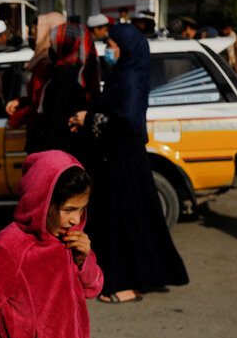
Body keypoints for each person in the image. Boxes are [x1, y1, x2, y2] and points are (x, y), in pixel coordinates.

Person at [68, 24, 189, 303]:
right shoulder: (122, 74)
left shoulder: (131, 78)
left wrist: (89, 119)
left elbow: (128, 123)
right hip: (116, 158)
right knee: (123, 221)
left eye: (111, 44)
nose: (108, 49)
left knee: (129, 222)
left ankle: (132, 285)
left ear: (126, 47)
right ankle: (123, 278)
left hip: (127, 160)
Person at [0, 151, 102, 338]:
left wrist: (85, 260)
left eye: (82, 209)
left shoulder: (70, 237)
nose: (76, 219)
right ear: (42, 201)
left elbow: (94, 288)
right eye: (69, 210)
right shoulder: (10, 246)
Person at [26, 23, 100, 164]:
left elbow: (56, 119)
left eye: (55, 43)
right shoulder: (84, 71)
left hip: (64, 152)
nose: (51, 48)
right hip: (80, 151)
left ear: (66, 45)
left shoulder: (65, 75)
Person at [6, 12, 65, 129]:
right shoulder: (42, 60)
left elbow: (40, 105)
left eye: (35, 34)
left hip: (44, 130)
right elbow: (35, 97)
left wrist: (15, 119)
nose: (32, 39)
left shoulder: (47, 64)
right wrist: (20, 102)